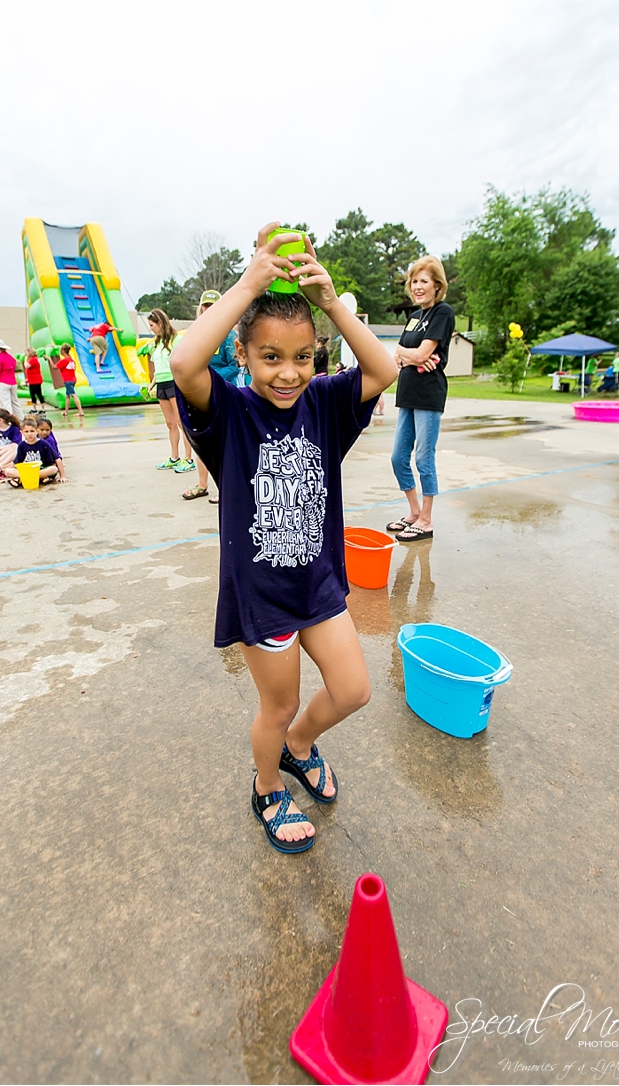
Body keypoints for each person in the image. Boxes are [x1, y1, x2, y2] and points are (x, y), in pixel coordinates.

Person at [171, 222, 397, 853]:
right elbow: (184, 360)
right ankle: (267, 784)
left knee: (354, 688)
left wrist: (330, 303)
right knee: (278, 702)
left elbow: (382, 369)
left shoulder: (324, 403)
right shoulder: (229, 413)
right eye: (270, 357)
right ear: (244, 356)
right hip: (263, 593)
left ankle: (299, 746)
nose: (288, 373)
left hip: (318, 583)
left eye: (302, 357)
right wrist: (249, 282)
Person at [387, 256, 455, 542]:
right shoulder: (415, 316)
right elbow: (399, 354)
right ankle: (414, 511)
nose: (417, 286)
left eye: (424, 281)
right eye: (414, 281)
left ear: (437, 285)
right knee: (398, 457)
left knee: (424, 458)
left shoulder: (443, 312)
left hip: (428, 394)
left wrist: (412, 355)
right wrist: (409, 356)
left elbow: (422, 353)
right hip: (408, 392)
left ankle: (426, 520)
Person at [180, 290, 237, 502]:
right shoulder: (195, 333)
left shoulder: (229, 336)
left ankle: (225, 487)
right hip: (198, 396)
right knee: (200, 440)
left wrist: (211, 379)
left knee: (223, 443)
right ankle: (202, 485)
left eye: (213, 306)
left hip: (222, 394)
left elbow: (234, 366)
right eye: (205, 306)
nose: (208, 310)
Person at [145, 308, 194, 471]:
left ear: (160, 323)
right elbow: (159, 368)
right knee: (170, 423)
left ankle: (188, 458)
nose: (150, 328)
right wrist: (151, 385)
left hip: (175, 384)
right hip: (162, 385)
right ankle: (174, 457)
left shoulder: (176, 340)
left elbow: (183, 362)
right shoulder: (155, 343)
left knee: (182, 422)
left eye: (152, 325)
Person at [6, 416, 59, 487]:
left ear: (37, 431)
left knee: (53, 469)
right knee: (7, 471)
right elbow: (16, 462)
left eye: (32, 431)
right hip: (27, 469)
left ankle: (22, 479)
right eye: (26, 431)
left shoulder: (43, 443)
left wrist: (62, 476)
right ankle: (40, 477)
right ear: (22, 432)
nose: (29, 434)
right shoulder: (21, 445)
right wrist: (7, 475)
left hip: (41, 468)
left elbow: (56, 459)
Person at [0, 339, 24, 422]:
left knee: (6, 402)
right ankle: (21, 417)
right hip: (12, 382)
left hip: (3, 382)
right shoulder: (11, 358)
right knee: (15, 401)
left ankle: (9, 419)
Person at [49, 345, 84, 417]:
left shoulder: (64, 360)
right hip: (73, 379)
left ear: (62, 351)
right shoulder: (71, 360)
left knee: (73, 395)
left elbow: (54, 367)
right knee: (67, 396)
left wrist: (49, 359)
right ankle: (66, 411)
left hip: (67, 380)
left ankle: (80, 411)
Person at [37, 417, 67, 481]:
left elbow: (56, 457)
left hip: (49, 464)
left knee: (53, 469)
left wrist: (62, 476)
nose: (44, 432)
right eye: (42, 430)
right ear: (36, 429)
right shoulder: (34, 439)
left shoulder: (49, 440)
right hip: (37, 465)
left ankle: (44, 476)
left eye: (47, 430)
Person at [24, 347, 47, 413]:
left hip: (36, 380)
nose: (26, 354)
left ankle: (43, 408)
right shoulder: (31, 359)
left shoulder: (33, 359)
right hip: (31, 380)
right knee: (32, 394)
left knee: (39, 393)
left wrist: (25, 359)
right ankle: (34, 408)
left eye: (27, 352)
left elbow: (27, 366)